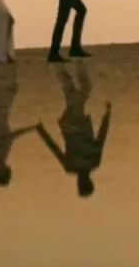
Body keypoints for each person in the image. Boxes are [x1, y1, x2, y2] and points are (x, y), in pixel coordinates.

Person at [37, 60, 112, 198]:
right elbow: (54, 148)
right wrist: (41, 131)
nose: (80, 181)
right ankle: (60, 62)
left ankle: (75, 59)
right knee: (70, 90)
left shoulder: (93, 162)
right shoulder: (71, 167)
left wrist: (108, 115)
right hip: (69, 125)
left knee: (84, 89)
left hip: (76, 123)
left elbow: (101, 137)